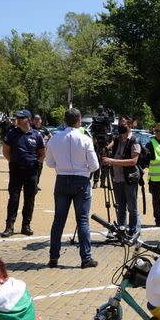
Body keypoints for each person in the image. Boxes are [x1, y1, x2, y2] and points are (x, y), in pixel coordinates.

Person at [45, 108, 100, 269]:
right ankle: (86, 258)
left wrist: (62, 166)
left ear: (64, 120)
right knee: (82, 220)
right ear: (79, 121)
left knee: (58, 221)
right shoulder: (85, 139)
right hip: (81, 180)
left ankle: (53, 257)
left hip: (62, 179)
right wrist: (82, 168)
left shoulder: (54, 139)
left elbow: (49, 163)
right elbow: (95, 165)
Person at [1, 109, 45, 237]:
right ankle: (9, 226)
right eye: (18, 118)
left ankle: (26, 225)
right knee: (14, 198)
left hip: (31, 172)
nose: (18, 120)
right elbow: (6, 151)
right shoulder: (12, 134)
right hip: (16, 170)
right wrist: (14, 161)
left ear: (29, 120)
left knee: (29, 199)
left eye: (22, 118)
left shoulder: (36, 135)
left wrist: (37, 163)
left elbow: (42, 153)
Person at [101, 115, 142, 240]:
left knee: (131, 207)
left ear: (130, 126)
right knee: (120, 206)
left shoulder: (134, 140)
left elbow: (133, 161)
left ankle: (133, 231)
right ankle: (121, 229)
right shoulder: (117, 140)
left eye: (123, 124)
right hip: (117, 178)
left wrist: (112, 161)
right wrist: (104, 149)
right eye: (119, 124)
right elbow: (108, 150)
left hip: (129, 179)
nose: (121, 127)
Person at [31, 114, 51, 188]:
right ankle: (30, 183)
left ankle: (36, 183)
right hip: (31, 151)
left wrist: (46, 144)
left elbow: (50, 137)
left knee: (39, 168)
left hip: (41, 152)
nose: (36, 121)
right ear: (33, 121)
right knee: (30, 167)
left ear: (41, 120)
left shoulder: (43, 129)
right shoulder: (30, 128)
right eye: (35, 120)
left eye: (38, 120)